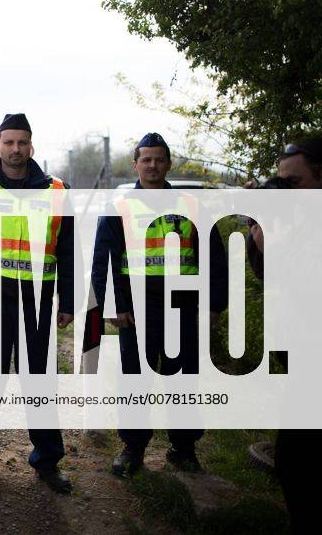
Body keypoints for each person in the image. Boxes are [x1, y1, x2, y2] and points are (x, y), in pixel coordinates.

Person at [91, 132, 228, 476]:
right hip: (135, 310)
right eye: (146, 159)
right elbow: (103, 259)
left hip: (183, 306)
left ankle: (183, 448)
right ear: (135, 164)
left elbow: (214, 257)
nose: (152, 165)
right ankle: (133, 448)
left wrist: (213, 304)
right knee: (135, 379)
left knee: (183, 380)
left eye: (159, 159)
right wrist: (114, 304)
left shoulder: (192, 204)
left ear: (168, 163)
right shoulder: (119, 206)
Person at [0, 113, 75, 494]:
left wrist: (68, 301)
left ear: (31, 146)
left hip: (37, 303)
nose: (16, 149)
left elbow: (70, 252)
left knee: (39, 382)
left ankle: (47, 461)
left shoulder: (57, 191)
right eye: (9, 142)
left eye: (22, 142)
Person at [245, 136, 322, 533]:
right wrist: (259, 238)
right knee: (294, 465)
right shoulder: (303, 221)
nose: (285, 190)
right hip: (301, 362)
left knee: (296, 464)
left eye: (294, 183)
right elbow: (271, 278)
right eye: (281, 182)